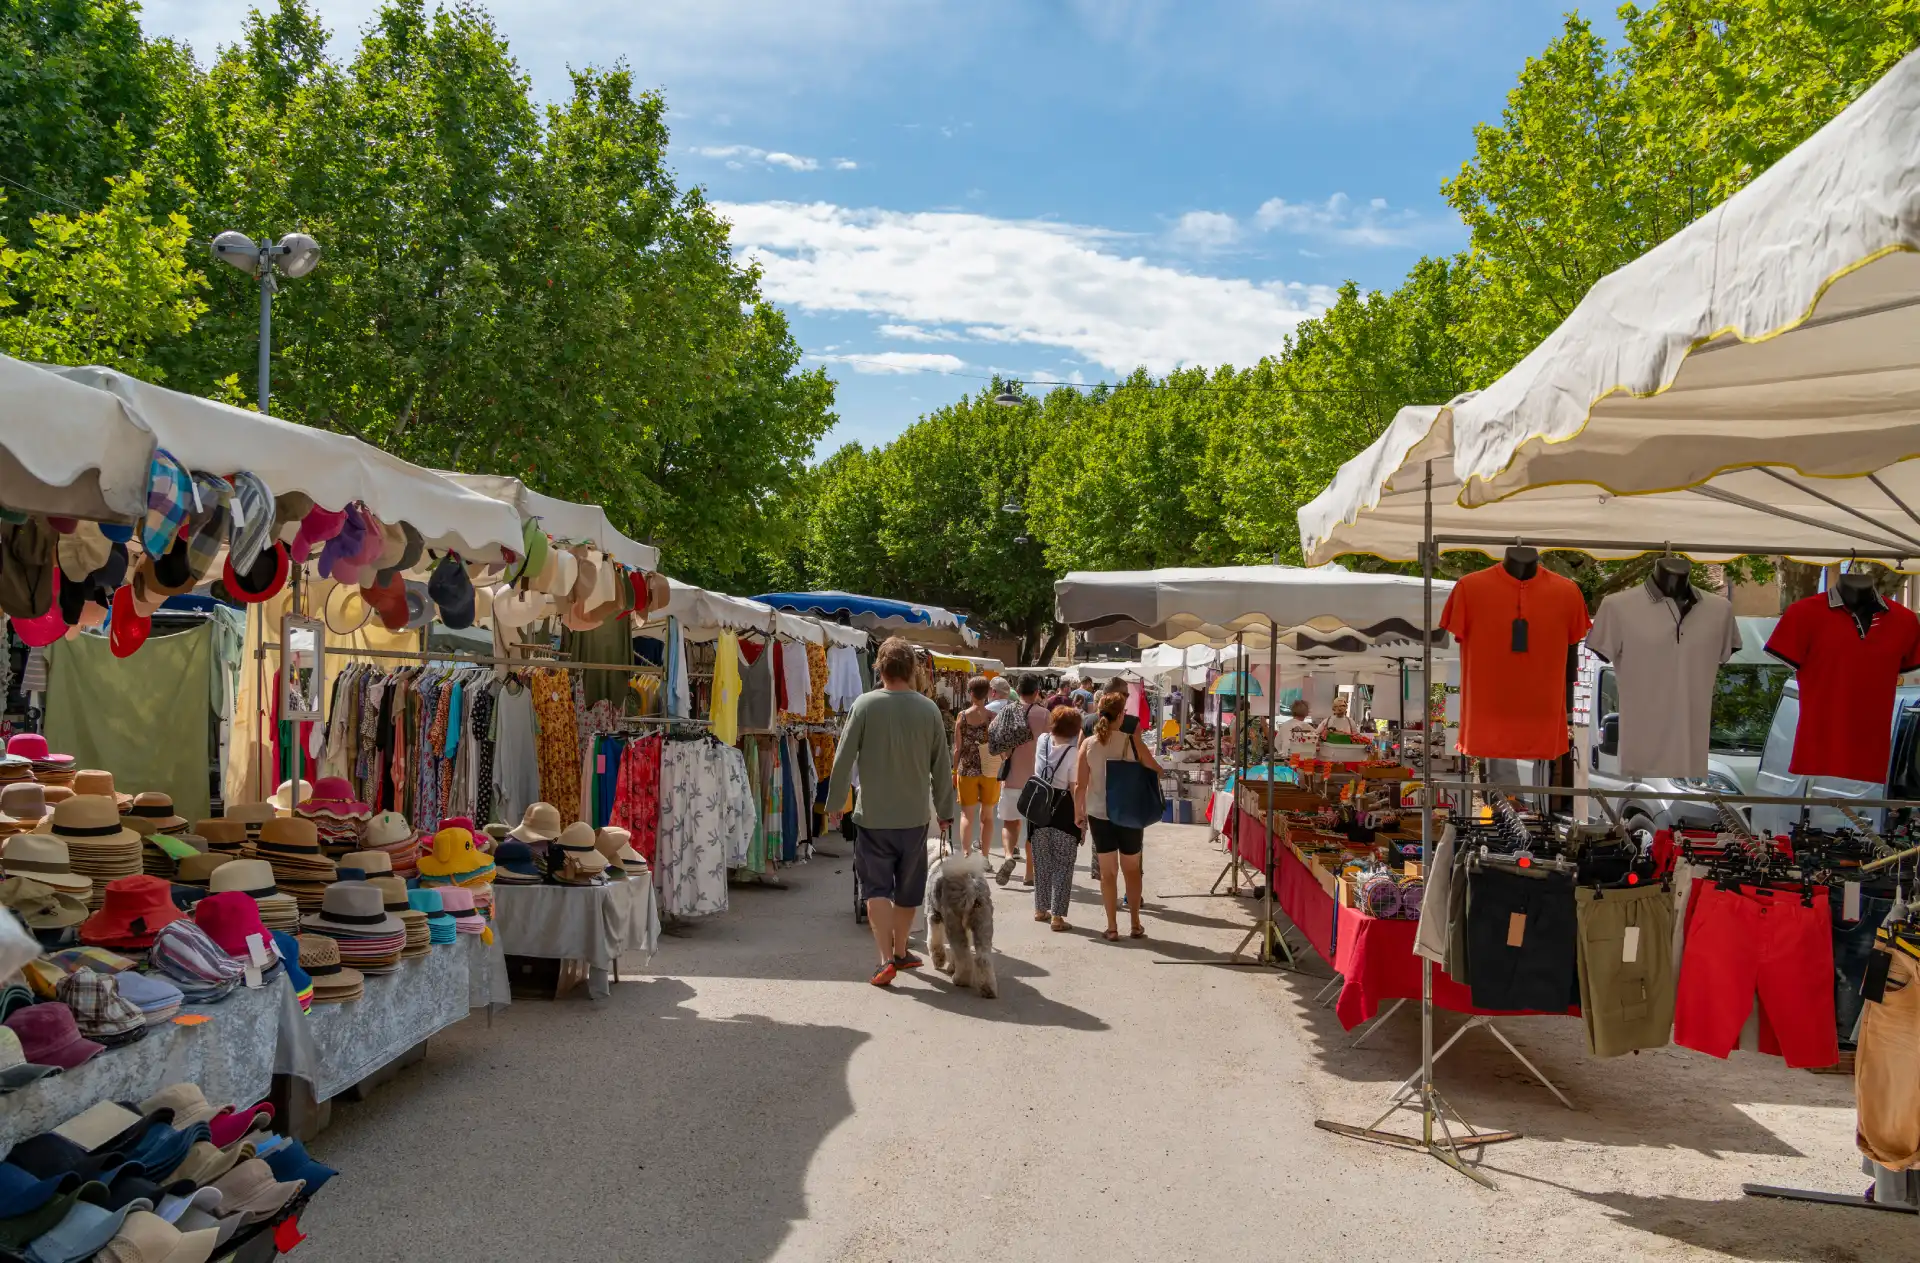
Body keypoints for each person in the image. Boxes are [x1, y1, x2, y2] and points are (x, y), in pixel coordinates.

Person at [827, 636, 956, 987]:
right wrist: (946, 810)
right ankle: (901, 950)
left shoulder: (865, 706)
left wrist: (835, 804)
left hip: (873, 817)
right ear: (911, 670)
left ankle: (886, 959)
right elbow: (941, 766)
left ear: (879, 668)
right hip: (914, 817)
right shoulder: (928, 710)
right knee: (908, 889)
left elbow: (843, 759)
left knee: (877, 889)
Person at [1076, 691, 1163, 941]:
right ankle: (1135, 923)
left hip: (1099, 815)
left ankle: (1112, 927)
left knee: (1108, 872)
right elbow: (1155, 769)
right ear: (1122, 714)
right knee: (1132, 870)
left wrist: (1077, 813)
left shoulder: (1088, 744)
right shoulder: (1132, 741)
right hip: (1129, 813)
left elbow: (1079, 785)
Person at [1028, 705, 1084, 931]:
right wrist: (1081, 818)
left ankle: (1040, 909)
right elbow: (1075, 787)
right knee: (1063, 864)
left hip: (1038, 807)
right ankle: (1057, 917)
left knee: (1041, 861)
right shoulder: (1073, 754)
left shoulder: (1042, 740)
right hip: (1063, 811)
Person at [996, 675, 1051, 884]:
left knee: (1010, 823)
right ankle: (1030, 873)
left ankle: (1009, 856)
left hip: (1011, 778)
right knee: (1033, 828)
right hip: (1037, 781)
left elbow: (999, 744)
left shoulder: (1007, 712)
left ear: (1017, 691)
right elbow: (1050, 747)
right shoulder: (1045, 715)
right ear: (1037, 691)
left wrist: (1007, 758)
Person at [951, 676, 1001, 858]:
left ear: (970, 693)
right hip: (990, 771)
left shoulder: (962, 716)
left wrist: (954, 771)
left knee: (966, 815)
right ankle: (986, 857)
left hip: (967, 769)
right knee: (987, 816)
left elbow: (958, 748)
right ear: (988, 693)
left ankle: (966, 854)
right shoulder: (993, 717)